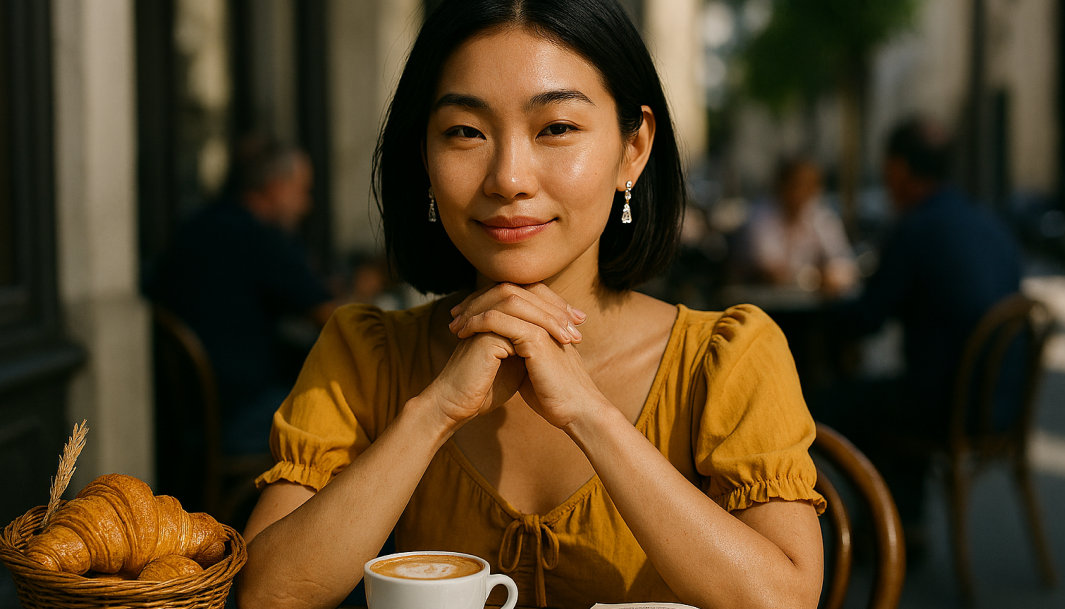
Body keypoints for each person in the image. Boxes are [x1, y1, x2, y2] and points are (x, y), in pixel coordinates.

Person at [237, 2, 825, 608]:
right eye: (465, 131)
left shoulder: (727, 356)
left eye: (556, 129)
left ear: (634, 148)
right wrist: (434, 411)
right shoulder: (366, 352)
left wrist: (591, 416)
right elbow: (268, 595)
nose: (508, 178)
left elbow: (784, 598)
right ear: (425, 157)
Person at [815, 116, 1023, 550]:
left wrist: (826, 302)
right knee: (890, 396)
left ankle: (879, 525)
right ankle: (904, 520)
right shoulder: (990, 223)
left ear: (899, 169)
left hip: (946, 407)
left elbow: (867, 319)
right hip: (1003, 404)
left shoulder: (916, 229)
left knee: (828, 402)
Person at [145, 137, 336, 457]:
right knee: (354, 413)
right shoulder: (260, 239)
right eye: (302, 191)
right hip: (239, 416)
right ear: (276, 187)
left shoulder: (195, 226)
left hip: (184, 419)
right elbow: (333, 319)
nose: (306, 205)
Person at [739, 156, 856, 296]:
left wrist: (832, 275)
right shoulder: (760, 216)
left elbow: (844, 262)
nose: (802, 192)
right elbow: (770, 270)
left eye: (810, 186)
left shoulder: (821, 217)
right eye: (797, 184)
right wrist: (815, 277)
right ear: (781, 185)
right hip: (762, 304)